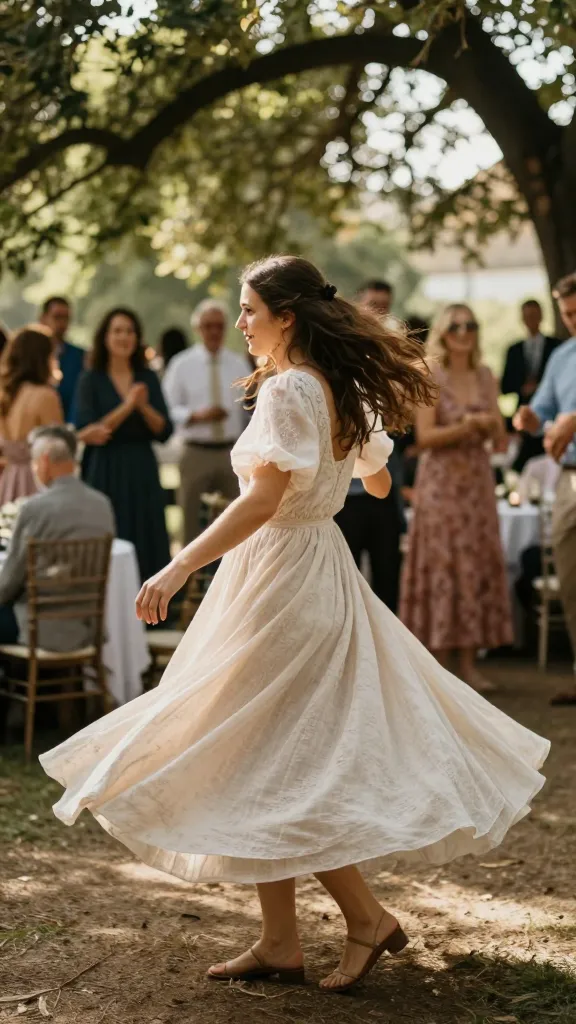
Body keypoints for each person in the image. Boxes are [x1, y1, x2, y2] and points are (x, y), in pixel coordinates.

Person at [41, 257, 549, 994]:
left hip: (282, 574)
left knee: (279, 754)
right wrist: (335, 472)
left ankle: (367, 918)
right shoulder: (337, 389)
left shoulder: (288, 390)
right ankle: (281, 940)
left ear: (286, 317)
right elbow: (377, 476)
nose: (241, 322)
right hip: (319, 568)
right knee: (264, 749)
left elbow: (260, 502)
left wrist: (179, 564)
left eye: (249, 310)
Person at [400, 304, 513, 692]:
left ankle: (469, 665)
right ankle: (436, 667)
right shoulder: (430, 372)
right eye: (456, 326)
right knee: (443, 564)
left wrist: (488, 425)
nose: (464, 333)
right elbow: (424, 438)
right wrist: (465, 427)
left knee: (474, 565)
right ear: (444, 333)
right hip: (442, 484)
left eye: (471, 326)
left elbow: (500, 432)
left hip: (477, 484)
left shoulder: (486, 375)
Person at [74, 308, 173, 583]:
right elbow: (94, 430)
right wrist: (128, 405)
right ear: (105, 337)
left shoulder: (148, 377)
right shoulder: (90, 379)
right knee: (108, 529)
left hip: (141, 465)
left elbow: (164, 430)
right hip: (104, 466)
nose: (124, 337)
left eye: (130, 331)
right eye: (117, 331)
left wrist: (143, 408)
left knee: (146, 528)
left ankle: (152, 606)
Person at [514, 271, 576, 704]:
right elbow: (541, 412)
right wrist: (529, 419)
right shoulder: (562, 356)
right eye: (569, 314)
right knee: (570, 576)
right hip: (570, 481)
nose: (573, 321)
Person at [0, 425, 115, 648]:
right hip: (88, 625)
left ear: (43, 461)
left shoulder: (35, 508)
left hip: (39, 627)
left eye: (34, 465)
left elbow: (7, 585)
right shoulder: (102, 504)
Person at [334, 281, 405, 612]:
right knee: (344, 585)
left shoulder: (389, 360)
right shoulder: (336, 357)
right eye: (372, 305)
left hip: (382, 487)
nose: (379, 313)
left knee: (387, 576)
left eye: (384, 306)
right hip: (342, 496)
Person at [163, 299, 251, 545]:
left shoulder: (238, 364)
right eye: (208, 326)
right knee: (190, 522)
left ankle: (234, 580)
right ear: (197, 328)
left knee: (238, 522)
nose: (214, 331)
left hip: (231, 452)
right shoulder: (181, 365)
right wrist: (196, 416)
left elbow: (248, 409)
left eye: (219, 326)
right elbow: (168, 408)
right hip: (195, 451)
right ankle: (186, 582)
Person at [0, 326, 64, 504]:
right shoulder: (45, 395)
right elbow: (58, 448)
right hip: (37, 482)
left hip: (8, 481)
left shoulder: (5, 395)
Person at [502, 300, 560, 471]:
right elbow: (505, 386)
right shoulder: (514, 350)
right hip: (524, 419)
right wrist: (522, 388)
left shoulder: (556, 347)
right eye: (527, 316)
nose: (531, 320)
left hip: (551, 419)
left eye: (534, 315)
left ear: (541, 316)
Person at [39, 297, 85, 423]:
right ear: (43, 318)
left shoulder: (80, 356)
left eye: (66, 318)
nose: (62, 323)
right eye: (57, 317)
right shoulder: (29, 357)